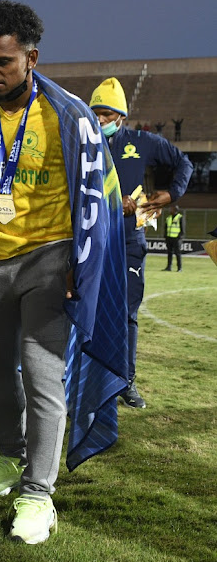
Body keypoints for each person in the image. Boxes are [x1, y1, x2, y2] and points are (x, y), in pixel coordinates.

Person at [0, 0, 127, 544]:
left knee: (41, 372)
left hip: (52, 257)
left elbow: (94, 197)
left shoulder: (68, 113)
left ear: (31, 57)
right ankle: (12, 457)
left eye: (2, 61)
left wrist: (83, 263)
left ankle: (38, 494)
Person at [90, 78, 192, 407]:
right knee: (87, 312)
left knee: (127, 315)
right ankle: (89, 381)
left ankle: (125, 382)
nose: (101, 121)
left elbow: (183, 163)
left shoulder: (140, 141)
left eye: (106, 115)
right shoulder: (84, 145)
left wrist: (169, 194)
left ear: (120, 116)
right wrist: (109, 201)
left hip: (129, 241)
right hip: (92, 239)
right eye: (96, 114)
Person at [164, 205, 184, 271]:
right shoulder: (168, 218)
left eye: (171, 209)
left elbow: (182, 228)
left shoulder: (180, 217)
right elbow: (166, 228)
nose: (170, 210)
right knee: (169, 253)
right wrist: (165, 236)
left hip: (176, 238)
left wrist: (180, 237)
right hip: (169, 238)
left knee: (177, 253)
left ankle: (179, 268)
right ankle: (169, 267)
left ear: (175, 210)